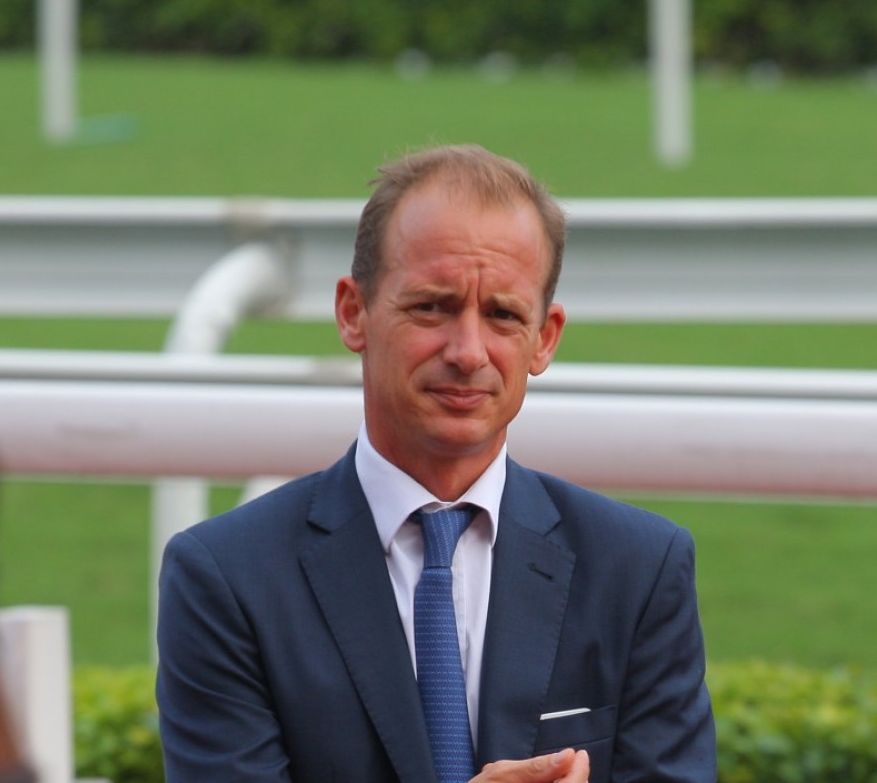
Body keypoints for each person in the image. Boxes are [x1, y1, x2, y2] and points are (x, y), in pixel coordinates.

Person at [156, 144, 716, 782]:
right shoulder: (227, 578)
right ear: (352, 312)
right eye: (433, 307)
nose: (468, 351)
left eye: (503, 314)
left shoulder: (639, 570)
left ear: (545, 338)